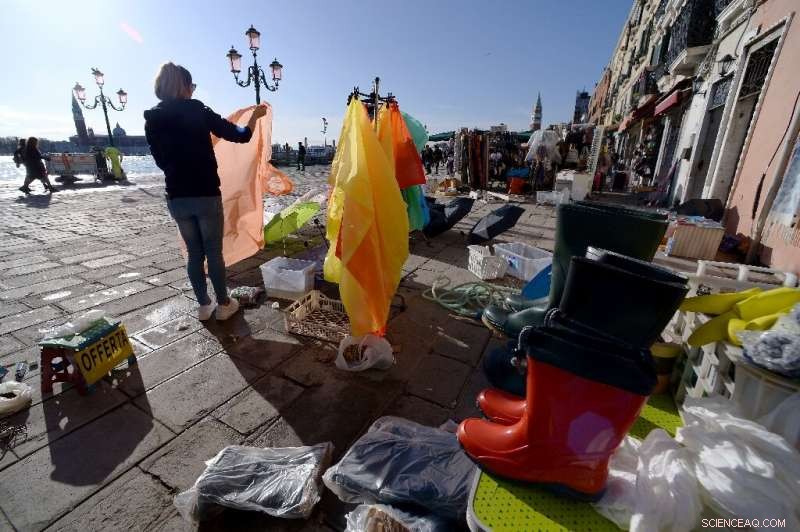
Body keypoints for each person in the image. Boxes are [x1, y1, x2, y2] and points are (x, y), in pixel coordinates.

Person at [144, 62, 267, 321]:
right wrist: (254, 118)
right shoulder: (196, 109)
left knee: (194, 253)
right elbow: (239, 135)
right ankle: (224, 304)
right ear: (185, 87)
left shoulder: (152, 119)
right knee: (213, 251)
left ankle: (203, 306)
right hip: (205, 193)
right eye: (192, 86)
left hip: (177, 196)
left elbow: (160, 161)